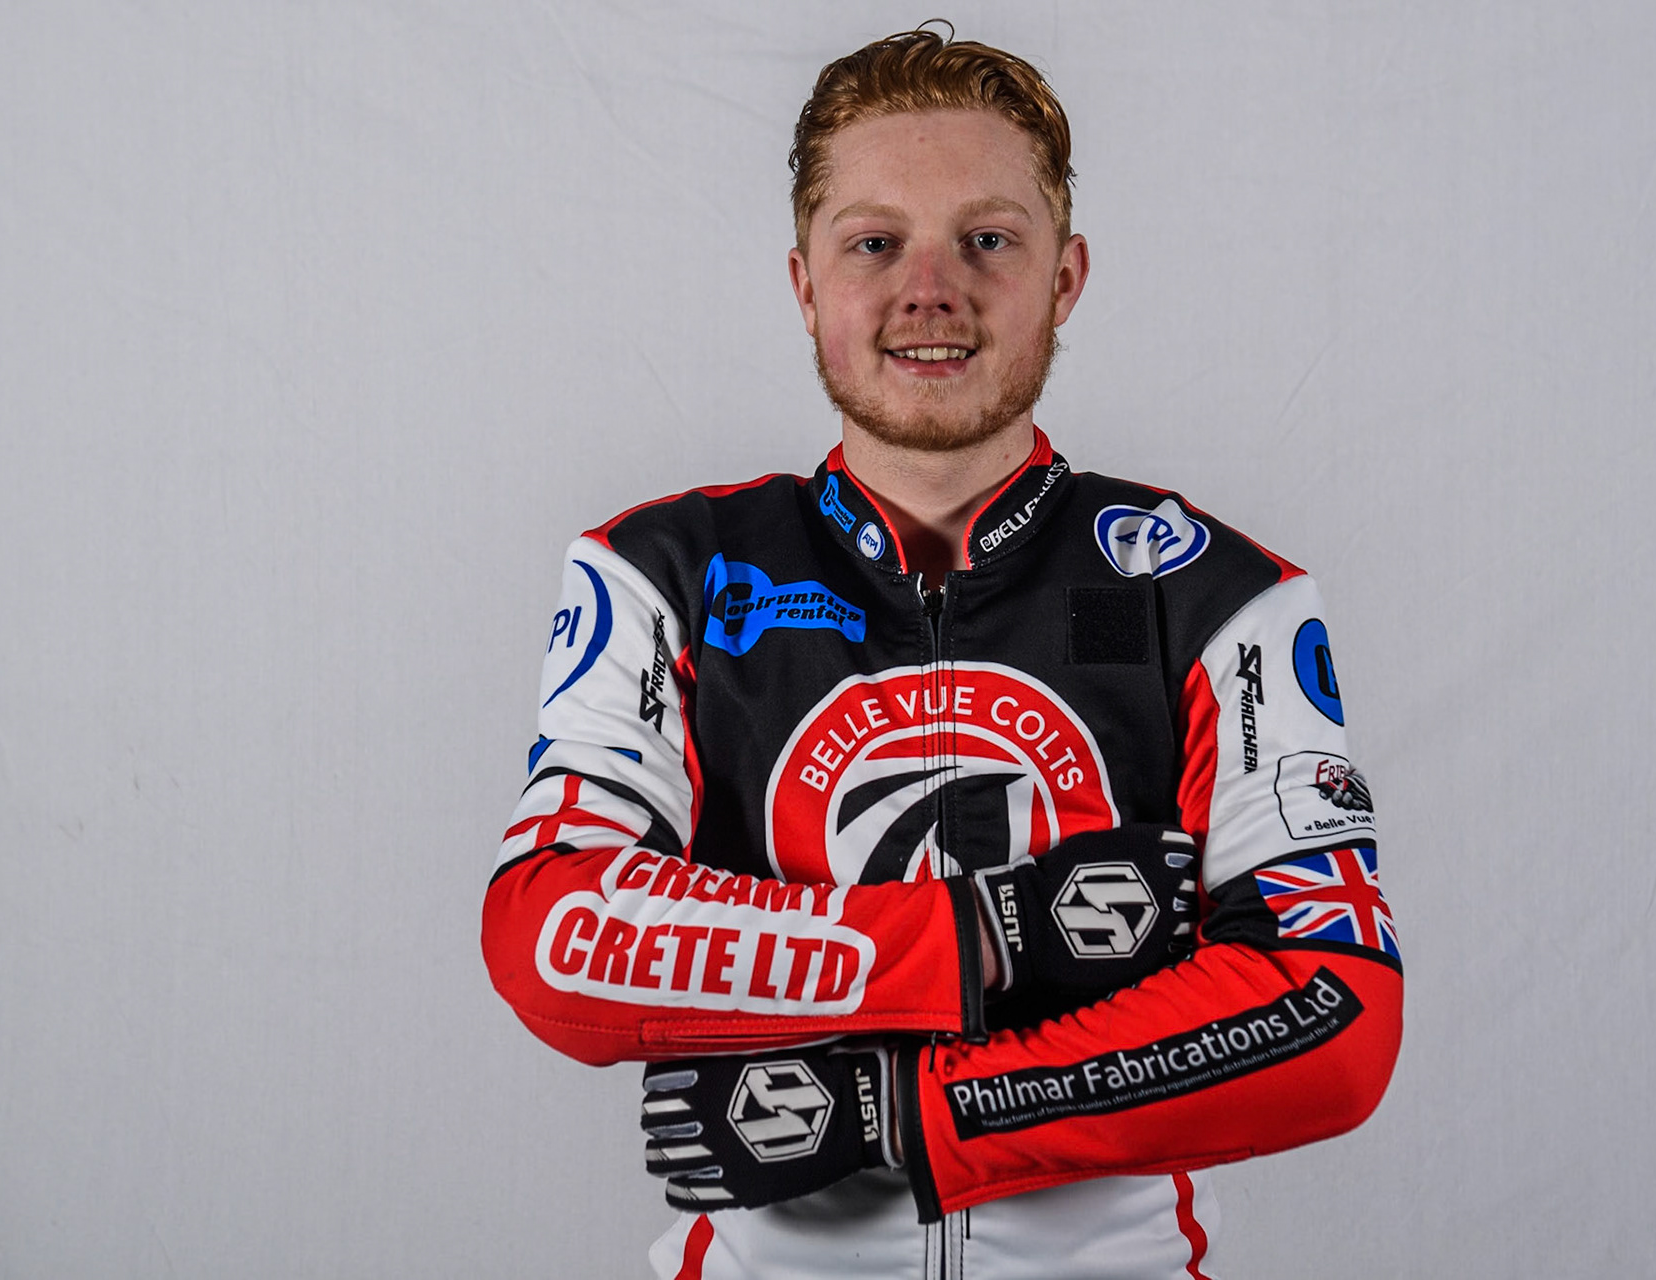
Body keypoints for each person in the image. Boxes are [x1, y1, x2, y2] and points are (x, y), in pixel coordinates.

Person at [482, 26, 1402, 1279]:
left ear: (1064, 278)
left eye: (988, 239)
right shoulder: (665, 571)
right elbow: (554, 934)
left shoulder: (1220, 594)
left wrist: (906, 1113)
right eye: (875, 242)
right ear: (805, 283)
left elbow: (1332, 1014)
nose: (931, 289)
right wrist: (991, 935)